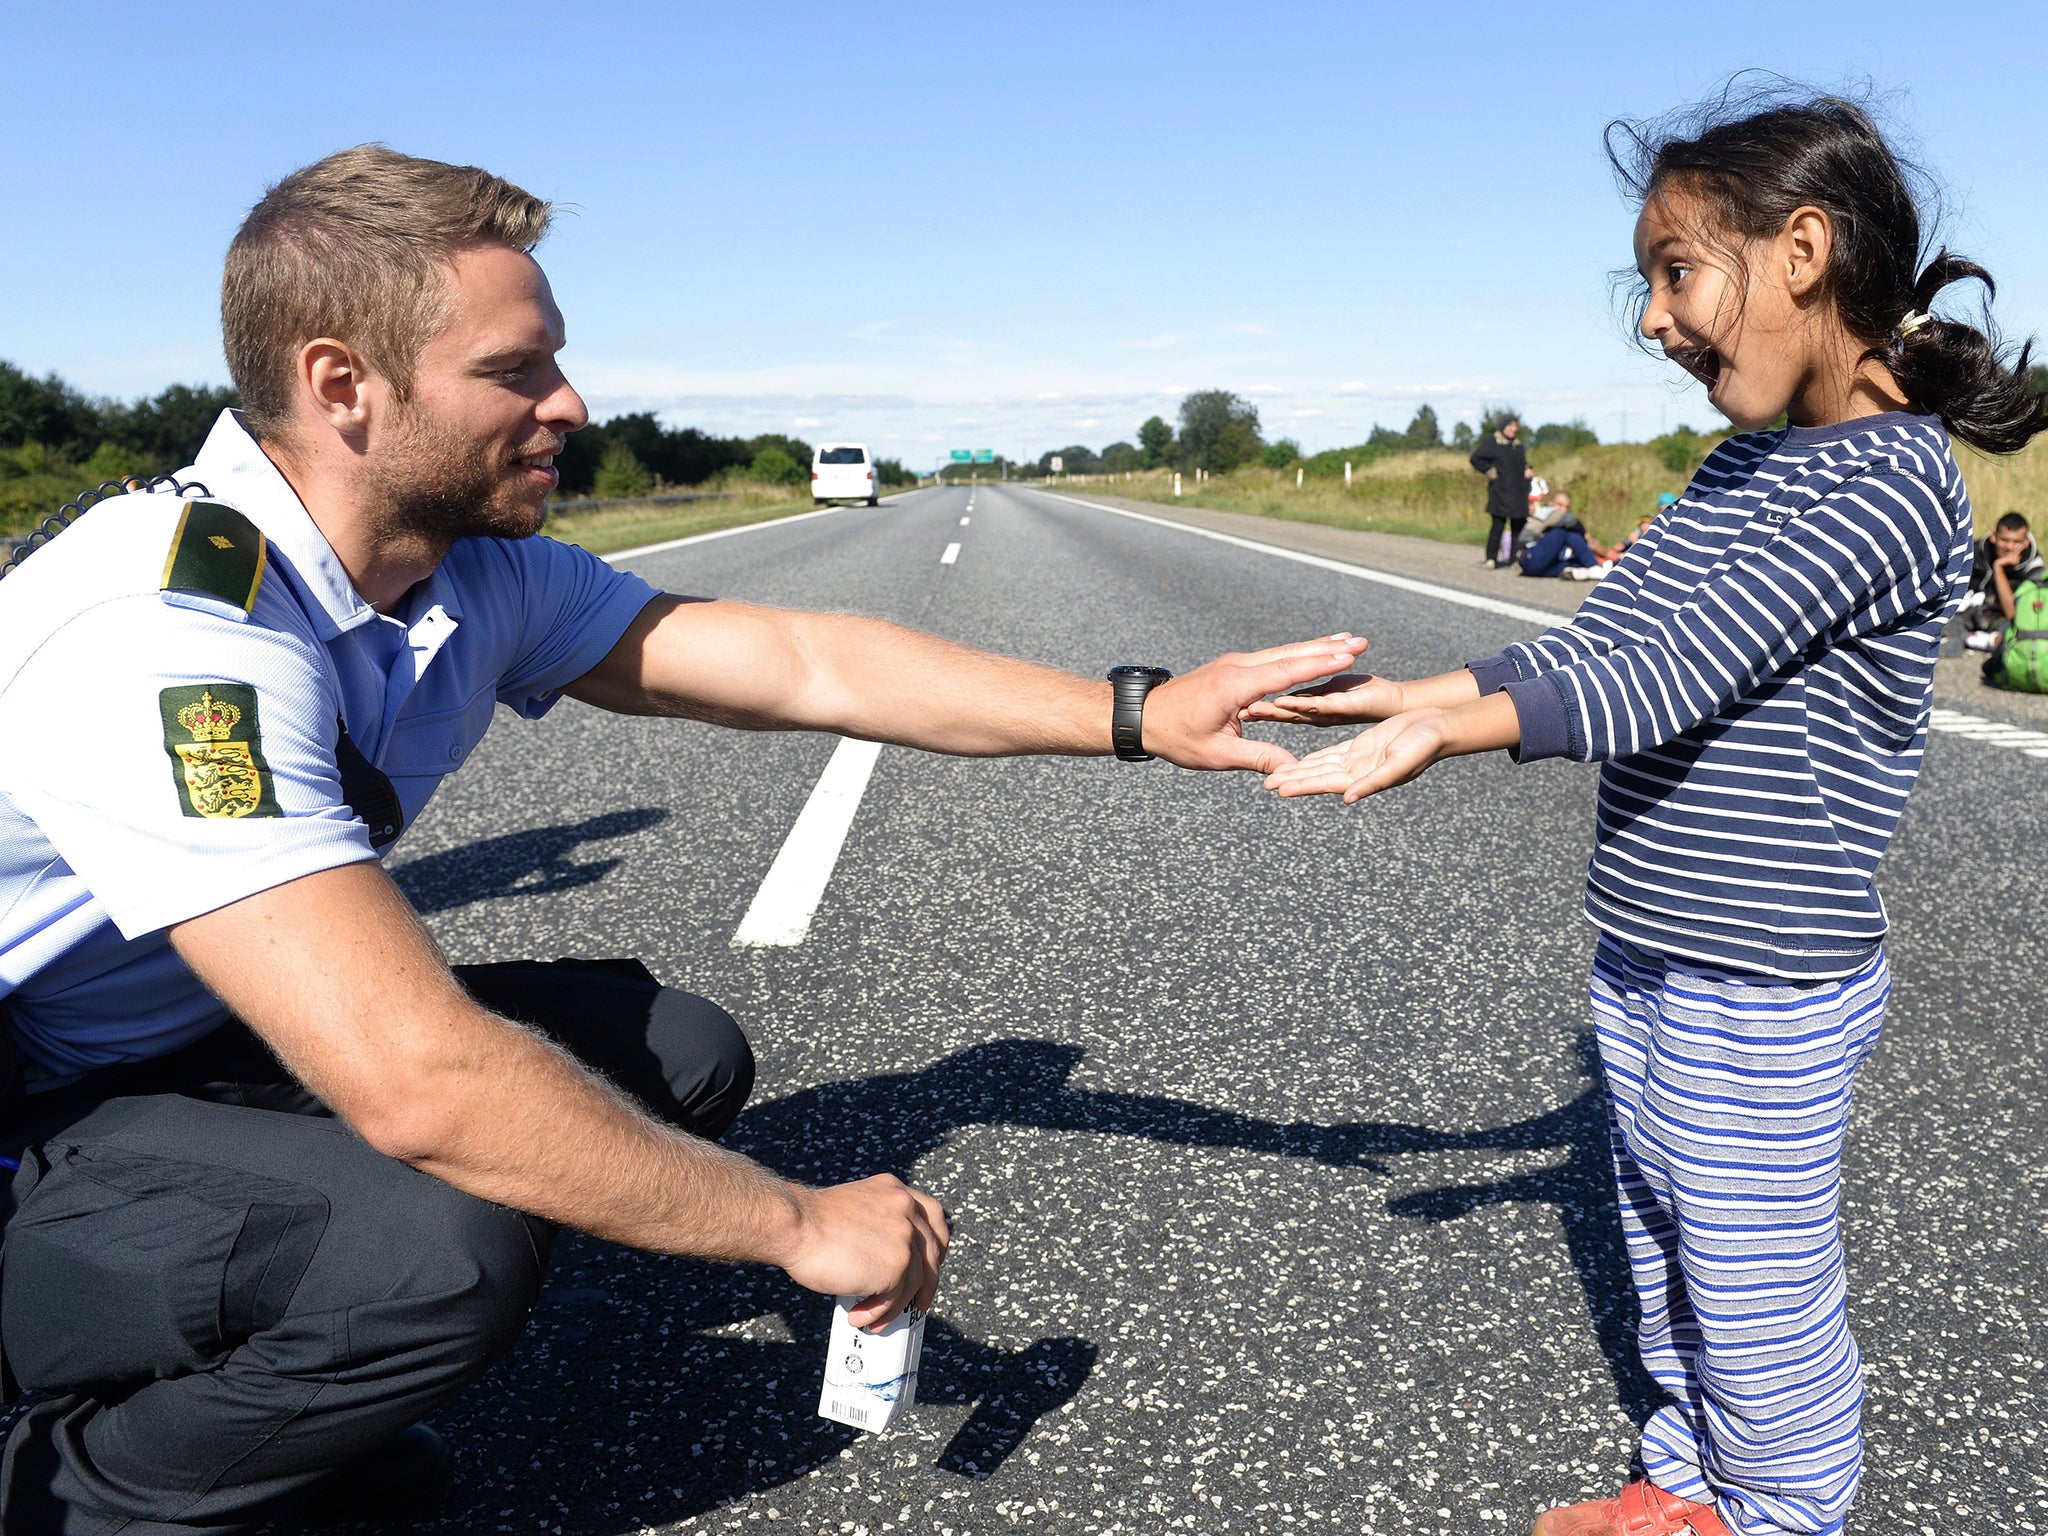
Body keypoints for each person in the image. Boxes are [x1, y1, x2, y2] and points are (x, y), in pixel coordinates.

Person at [0, 146, 1369, 1533]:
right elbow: (418, 1083)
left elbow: (796, 662)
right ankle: (87, 1487)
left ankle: (293, 1368)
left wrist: (1139, 711)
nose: (570, 405)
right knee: (429, 1253)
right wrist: (794, 1223)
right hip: (27, 1100)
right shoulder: (170, 636)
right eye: (515, 371)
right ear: (342, 385)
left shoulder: (458, 572)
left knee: (676, 1053)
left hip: (178, 1042)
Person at [1247, 90, 2044, 1536]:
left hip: (1768, 975)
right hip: (1652, 944)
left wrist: (1452, 729)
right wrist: (1428, 685)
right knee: (1665, 1243)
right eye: (1651, 286)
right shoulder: (1746, 465)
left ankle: (1786, 1512)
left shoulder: (1891, 481)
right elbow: (1611, 635)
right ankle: (1690, 1487)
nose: (1656, 322)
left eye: (1677, 273)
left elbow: (1676, 673)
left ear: (1802, 251)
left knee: (1755, 1288)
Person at [1957, 510, 2041, 652]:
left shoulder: (2034, 570)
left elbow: (2013, 615)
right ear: (1994, 537)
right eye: (2005, 540)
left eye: (2017, 542)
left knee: (2018, 639)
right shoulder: (1974, 552)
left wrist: (1999, 568)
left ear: (2026, 542)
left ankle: (1983, 641)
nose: (2009, 547)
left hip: (2005, 620)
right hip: (1968, 612)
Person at [1470, 413, 1532, 567]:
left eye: (1515, 426)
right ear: (1503, 426)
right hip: (1501, 491)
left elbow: (1523, 463)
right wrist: (1489, 471)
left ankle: (1514, 559)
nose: (1514, 429)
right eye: (1510, 426)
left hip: (1518, 492)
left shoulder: (1517, 446)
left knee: (1518, 528)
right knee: (1497, 526)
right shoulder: (1493, 443)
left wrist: (1528, 470)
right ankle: (1491, 558)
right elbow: (1475, 458)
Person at [1516, 492, 1620, 579]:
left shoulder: (1553, 523)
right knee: (1565, 530)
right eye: (1560, 505)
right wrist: (1584, 534)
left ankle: (1583, 571)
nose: (1563, 509)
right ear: (1551, 503)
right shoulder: (1547, 511)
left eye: (1566, 507)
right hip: (1530, 555)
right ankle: (1593, 566)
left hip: (1538, 566)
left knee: (1571, 561)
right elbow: (1571, 521)